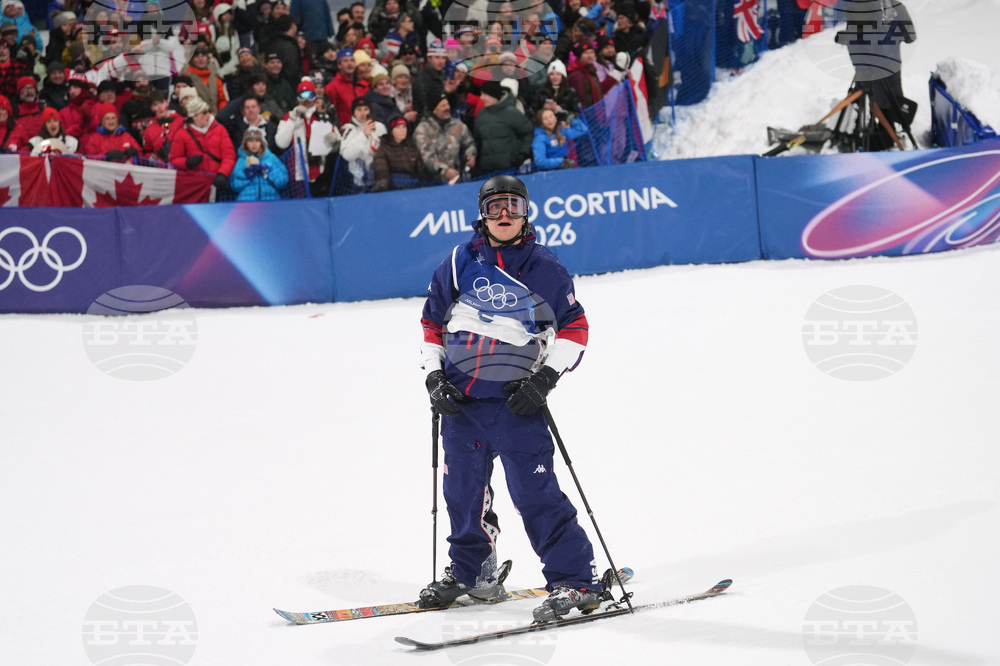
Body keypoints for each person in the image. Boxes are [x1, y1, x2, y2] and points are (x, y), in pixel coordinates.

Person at [417, 174, 602, 623]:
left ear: (527, 212)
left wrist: (545, 380)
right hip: (462, 406)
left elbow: (575, 329)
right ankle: (474, 573)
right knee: (461, 494)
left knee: (535, 494)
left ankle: (576, 580)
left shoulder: (545, 267)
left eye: (514, 206)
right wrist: (434, 379)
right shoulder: (459, 262)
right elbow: (432, 325)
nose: (504, 215)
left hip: (517, 406)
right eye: (495, 206)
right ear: (481, 213)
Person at [275, 77, 340, 196]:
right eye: (302, 96)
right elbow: (281, 142)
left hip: (320, 172)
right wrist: (293, 119)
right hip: (298, 174)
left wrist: (335, 139)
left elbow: (337, 143)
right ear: (297, 98)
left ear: (315, 96)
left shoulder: (323, 116)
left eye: (310, 95)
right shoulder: (290, 116)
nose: (306, 100)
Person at [168, 95, 237, 190]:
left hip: (217, 182)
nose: (208, 115)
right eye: (204, 113)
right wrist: (187, 162)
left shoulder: (220, 130)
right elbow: (173, 159)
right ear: (194, 116)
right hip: (194, 184)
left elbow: (229, 156)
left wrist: (222, 174)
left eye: (208, 111)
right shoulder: (181, 134)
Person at [473, 80, 533, 175]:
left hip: (511, 169)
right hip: (487, 170)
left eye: (484, 94)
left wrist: (523, 154)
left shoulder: (512, 113)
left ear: (494, 95)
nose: (481, 98)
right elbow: (477, 140)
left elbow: (529, 132)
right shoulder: (481, 114)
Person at [413, 93, 475, 183]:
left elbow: (469, 143)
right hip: (433, 182)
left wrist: (470, 155)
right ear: (434, 110)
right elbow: (426, 156)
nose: (447, 107)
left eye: (447, 104)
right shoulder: (423, 129)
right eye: (443, 106)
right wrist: (444, 170)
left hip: (458, 179)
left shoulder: (458, 124)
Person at [228, 126, 288, 200]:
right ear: (245, 143)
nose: (254, 144)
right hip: (246, 202)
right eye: (250, 141)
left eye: (257, 140)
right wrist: (247, 175)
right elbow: (234, 185)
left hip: (271, 201)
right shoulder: (241, 161)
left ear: (262, 142)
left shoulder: (271, 158)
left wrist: (268, 173)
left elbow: (283, 182)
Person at [338, 95, 386, 189]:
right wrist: (364, 135)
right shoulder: (350, 130)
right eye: (359, 110)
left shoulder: (380, 127)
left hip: (378, 176)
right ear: (354, 113)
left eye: (366, 109)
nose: (363, 113)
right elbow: (347, 155)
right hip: (357, 182)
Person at [372, 114, 428, 191]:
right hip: (394, 188)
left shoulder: (411, 146)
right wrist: (382, 186)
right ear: (391, 131)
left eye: (404, 127)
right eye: (398, 127)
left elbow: (420, 170)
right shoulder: (383, 149)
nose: (402, 130)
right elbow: (381, 171)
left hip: (414, 187)